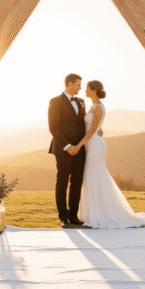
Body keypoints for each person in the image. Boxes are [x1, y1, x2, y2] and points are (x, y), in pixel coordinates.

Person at [71, 80, 145, 229]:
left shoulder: (98, 108)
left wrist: (78, 145)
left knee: (95, 176)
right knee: (92, 177)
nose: (85, 91)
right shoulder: (92, 106)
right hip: (91, 145)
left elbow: (91, 131)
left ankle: (102, 214)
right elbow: (93, 128)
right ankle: (95, 212)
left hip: (95, 146)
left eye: (87, 89)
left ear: (94, 91)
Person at [48, 73, 87, 227]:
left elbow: (84, 125)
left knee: (77, 183)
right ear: (70, 84)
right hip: (63, 149)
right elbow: (53, 127)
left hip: (79, 150)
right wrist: (67, 146)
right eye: (78, 85)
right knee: (62, 182)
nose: (80, 88)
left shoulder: (81, 102)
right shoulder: (55, 101)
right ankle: (63, 217)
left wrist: (97, 132)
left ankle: (73, 216)